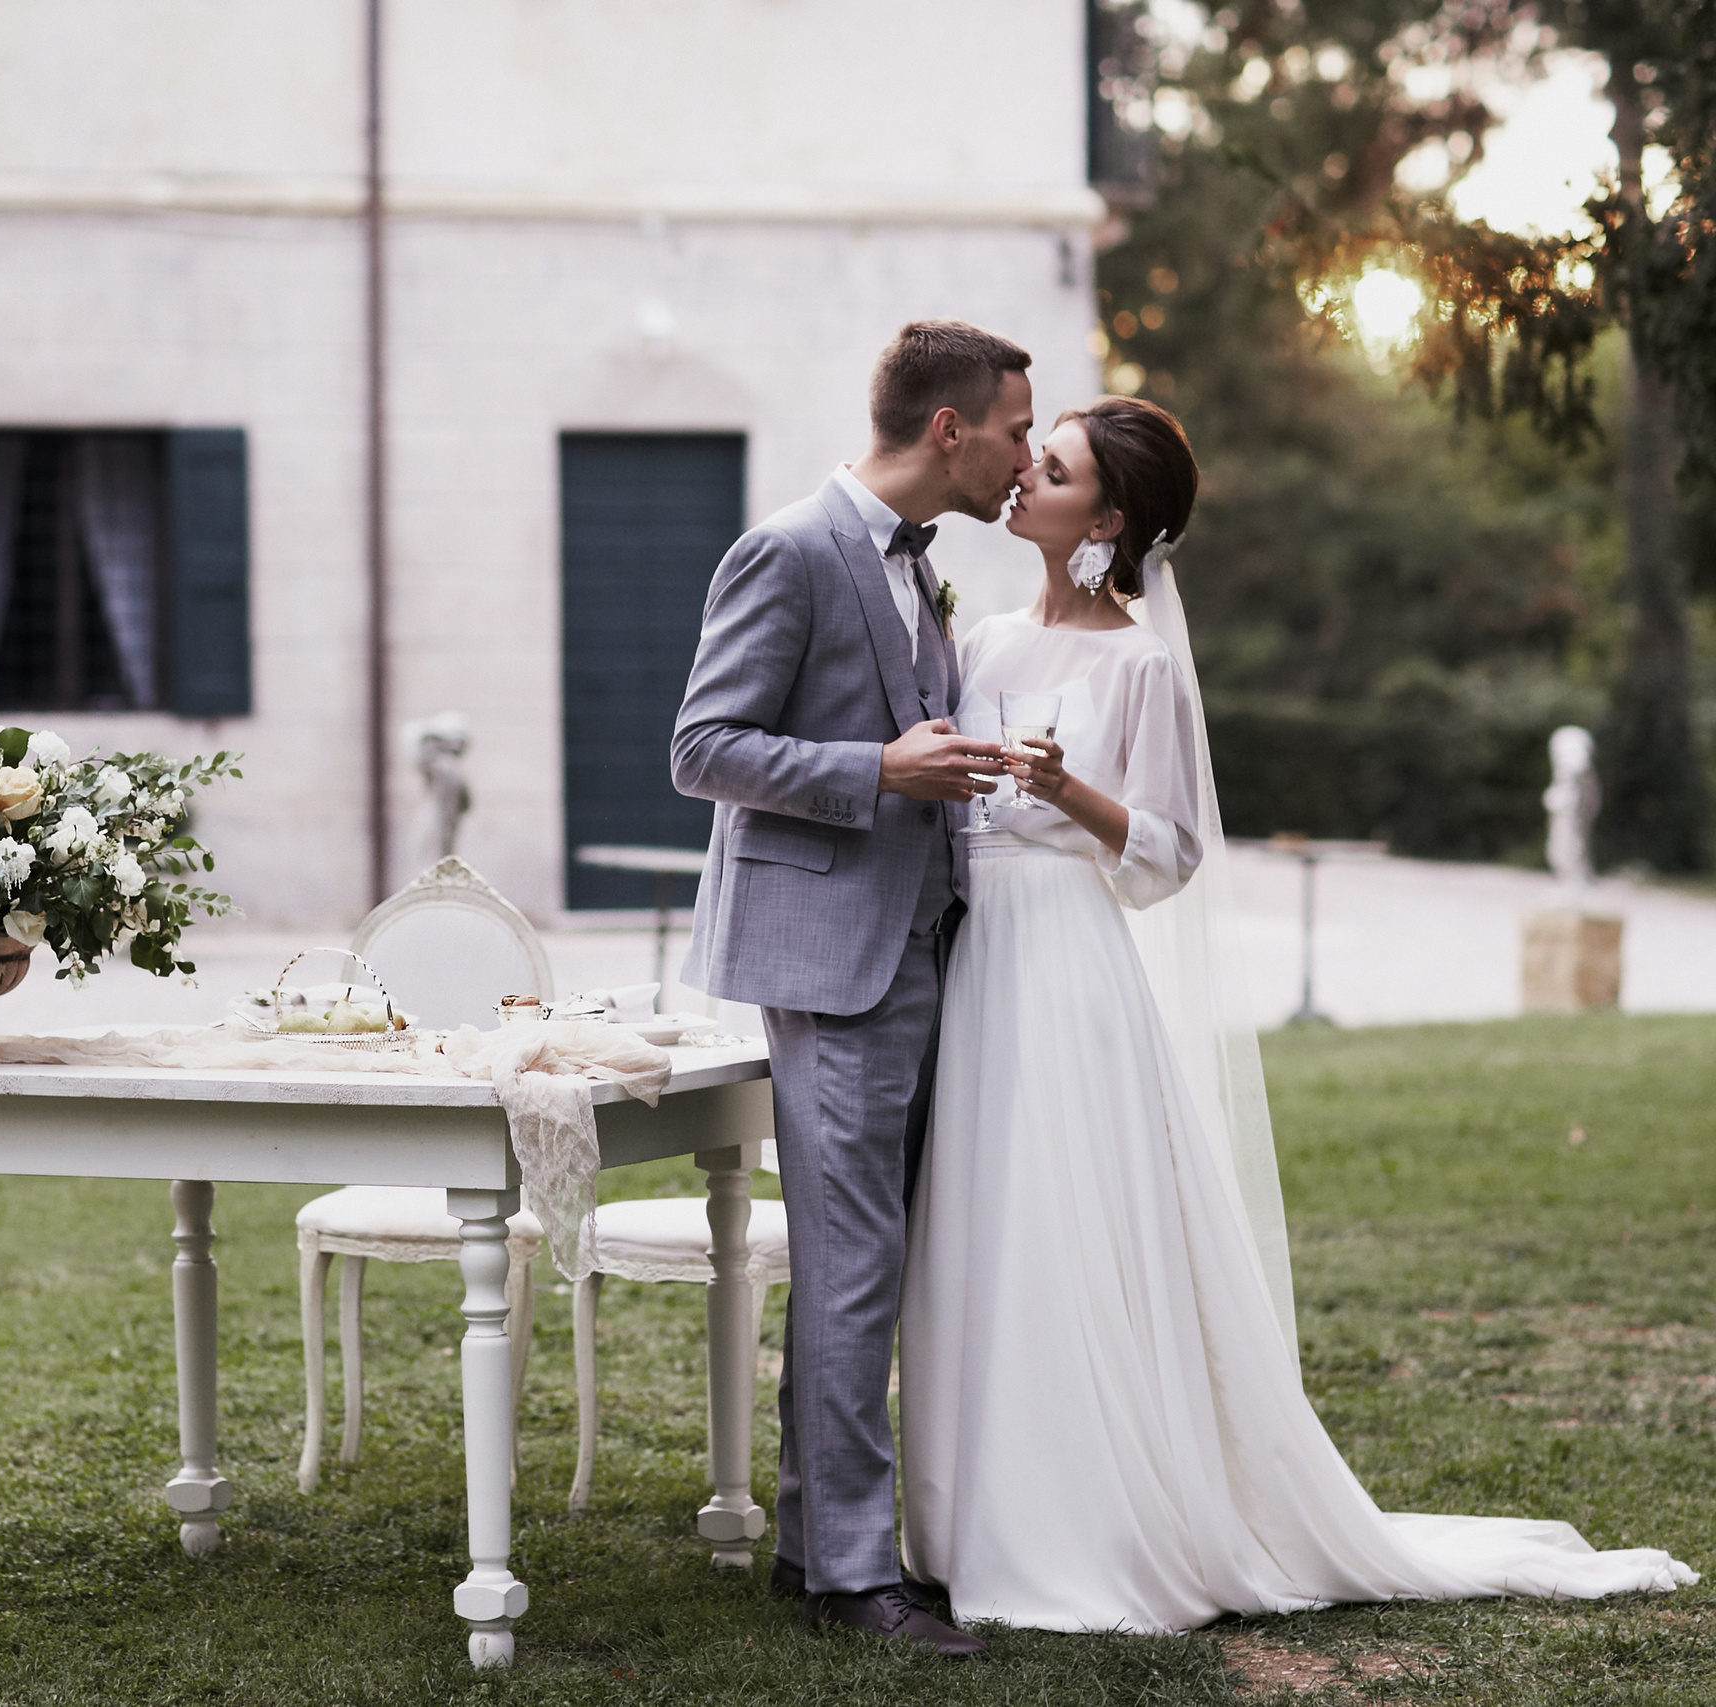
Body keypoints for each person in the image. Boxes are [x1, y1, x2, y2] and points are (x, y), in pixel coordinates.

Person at [898, 394, 1699, 1633]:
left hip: (1066, 962)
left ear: (1106, 519)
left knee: (1067, 1224)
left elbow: (1168, 855)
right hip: (977, 960)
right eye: (1031, 457)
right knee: (985, 1222)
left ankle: (1083, 1526)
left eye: (1047, 469)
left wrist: (1077, 792)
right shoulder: (986, 640)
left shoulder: (1140, 663)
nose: (1021, 478)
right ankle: (969, 1514)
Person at [670, 318, 1021, 1659]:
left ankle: (824, 1544)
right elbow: (703, 746)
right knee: (852, 1258)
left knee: (866, 1260)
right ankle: (850, 1576)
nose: (1021, 454)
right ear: (949, 428)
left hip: (920, 948)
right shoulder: (791, 548)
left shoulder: (918, 570)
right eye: (1011, 429)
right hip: (833, 960)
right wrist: (875, 771)